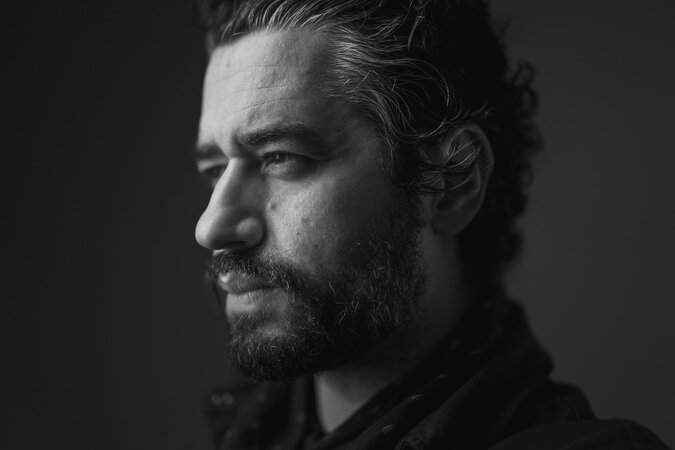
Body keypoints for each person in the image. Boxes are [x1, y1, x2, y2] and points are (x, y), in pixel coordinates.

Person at [192, 1, 669, 448]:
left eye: (281, 157)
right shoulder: (242, 431)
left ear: (453, 183)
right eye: (215, 170)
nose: (211, 227)